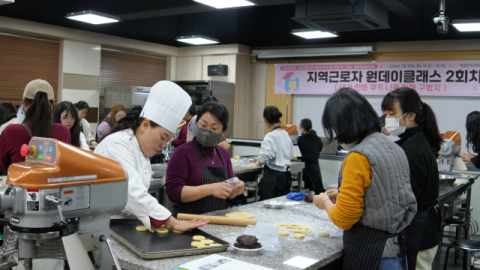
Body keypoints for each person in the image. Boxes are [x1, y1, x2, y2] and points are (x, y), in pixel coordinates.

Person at [314, 88, 417, 270]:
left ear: (345, 125)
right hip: (396, 249)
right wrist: (343, 193)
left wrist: (324, 202)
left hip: (371, 254)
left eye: (336, 127)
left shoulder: (358, 156)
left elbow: (344, 219)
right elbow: (387, 192)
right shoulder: (394, 148)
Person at [94, 81, 208, 232]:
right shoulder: (117, 145)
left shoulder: (141, 150)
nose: (163, 145)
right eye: (162, 137)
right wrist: (172, 222)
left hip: (124, 224)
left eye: (167, 140)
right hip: (101, 225)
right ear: (145, 126)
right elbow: (132, 191)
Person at [382, 87, 442, 270]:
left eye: (392, 114)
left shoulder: (412, 150)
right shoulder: (414, 141)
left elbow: (405, 198)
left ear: (411, 115)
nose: (387, 120)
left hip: (418, 231)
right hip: (424, 228)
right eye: (385, 114)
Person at [165, 101, 245, 215]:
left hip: (216, 221)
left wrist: (235, 190)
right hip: (187, 222)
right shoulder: (182, 153)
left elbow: (228, 193)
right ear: (196, 124)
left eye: (214, 128)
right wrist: (210, 189)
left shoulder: (224, 154)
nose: (207, 131)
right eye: (203, 126)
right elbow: (173, 192)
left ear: (223, 131)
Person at [0, 79, 71, 171]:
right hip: (54, 185)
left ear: (25, 103)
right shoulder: (64, 131)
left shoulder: (10, 132)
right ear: (51, 104)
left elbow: (2, 166)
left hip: (21, 184)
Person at [253, 106, 294, 200]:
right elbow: (290, 153)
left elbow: (266, 155)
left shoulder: (270, 136)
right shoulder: (285, 134)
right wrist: (261, 158)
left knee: (269, 205)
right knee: (282, 205)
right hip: (286, 176)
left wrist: (259, 162)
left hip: (273, 177)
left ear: (265, 119)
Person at [297, 118, 324, 194]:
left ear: (303, 128)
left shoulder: (301, 139)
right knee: (318, 188)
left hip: (305, 167)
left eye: (299, 127)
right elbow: (319, 149)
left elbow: (298, 153)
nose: (299, 128)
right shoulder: (317, 138)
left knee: (306, 189)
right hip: (315, 167)